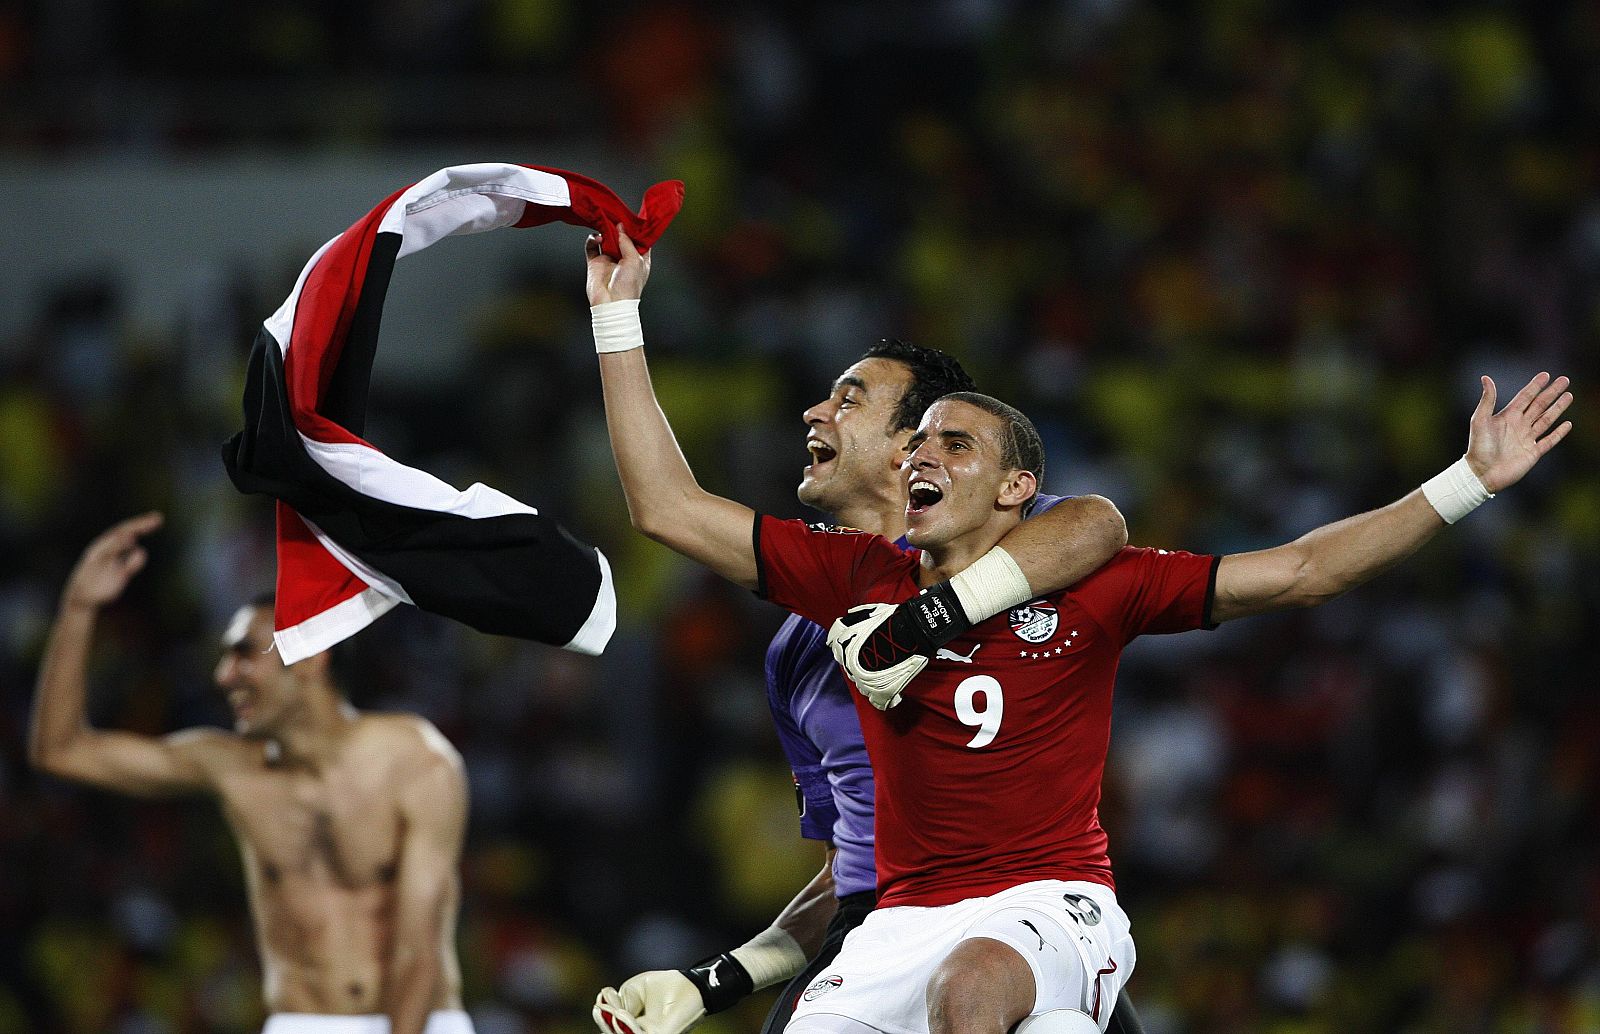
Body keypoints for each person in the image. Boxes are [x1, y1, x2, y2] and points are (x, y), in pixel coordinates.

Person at [580, 230, 1573, 1034]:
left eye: (951, 443)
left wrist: (1466, 482)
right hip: (894, 919)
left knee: (972, 992)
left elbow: (1296, 566)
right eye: (919, 442)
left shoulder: (1088, 568)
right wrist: (616, 312)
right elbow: (666, 506)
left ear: (1014, 486)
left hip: (1045, 901)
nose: (926, 455)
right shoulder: (839, 587)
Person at [590, 334, 1147, 1034]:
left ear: (911, 445)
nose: (814, 413)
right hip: (882, 934)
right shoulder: (796, 648)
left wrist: (923, 621)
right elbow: (849, 874)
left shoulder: (1017, 553)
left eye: (849, 400)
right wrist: (716, 979)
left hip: (1022, 916)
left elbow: (1095, 522)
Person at [29, 512, 474, 1034]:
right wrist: (80, 606)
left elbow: (417, 950)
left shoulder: (416, 761)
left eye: (243, 654)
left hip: (423, 1021)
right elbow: (61, 750)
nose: (224, 677)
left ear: (310, 656)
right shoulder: (228, 767)